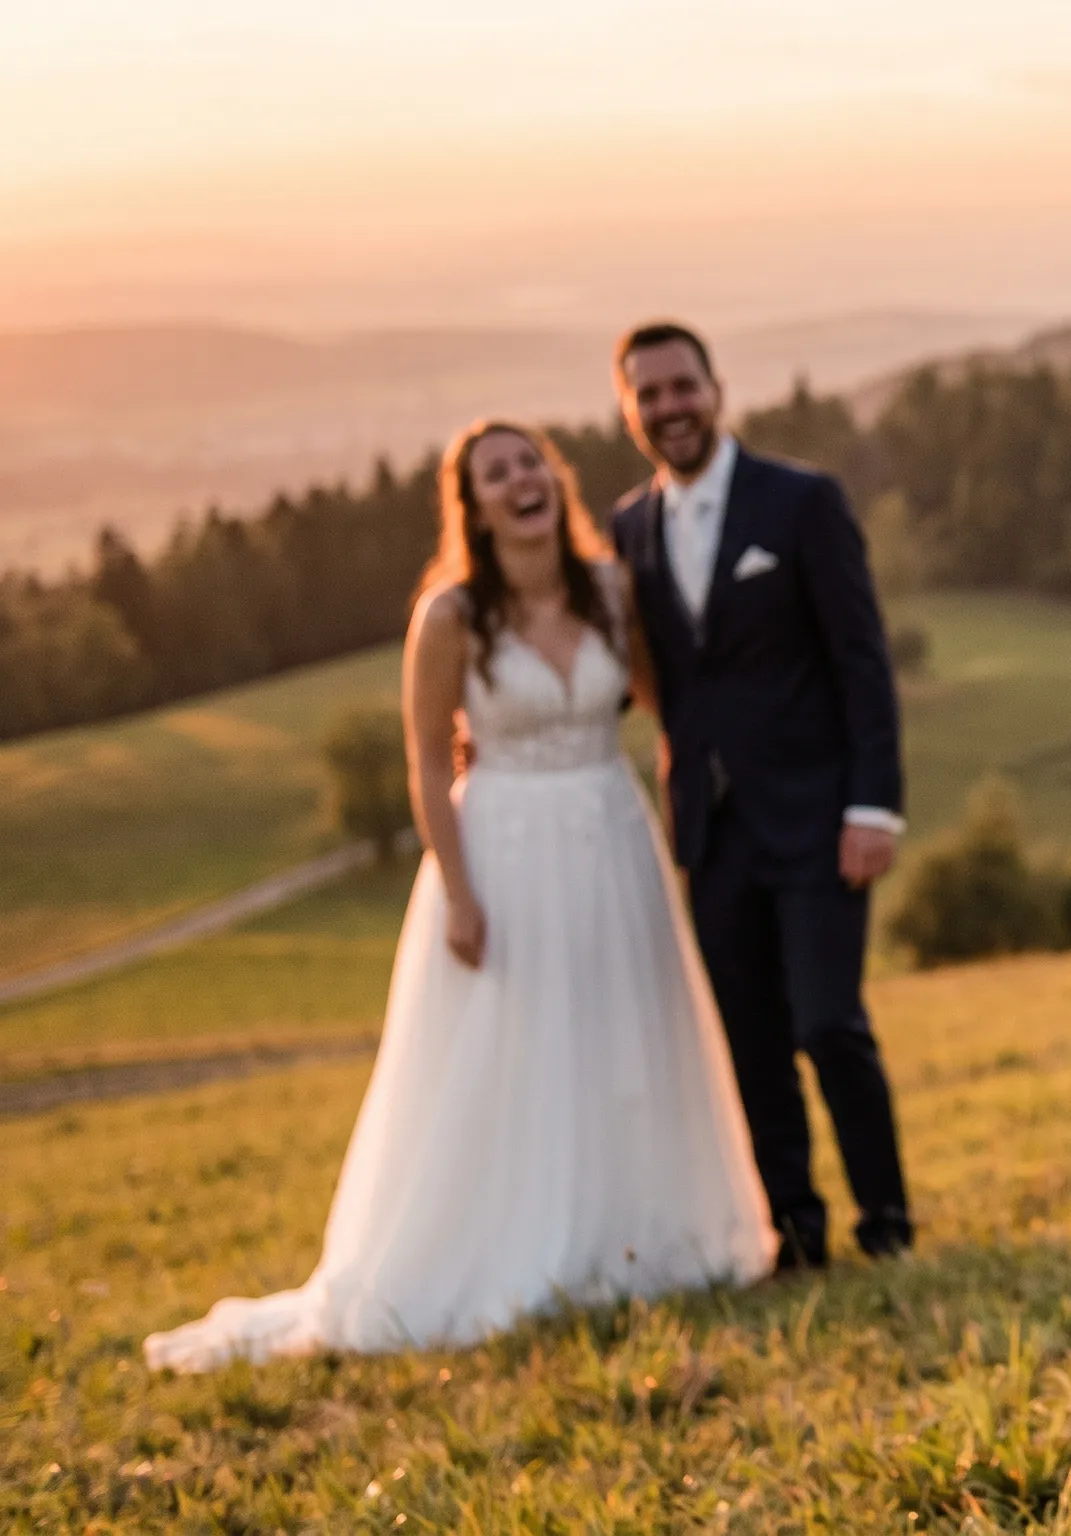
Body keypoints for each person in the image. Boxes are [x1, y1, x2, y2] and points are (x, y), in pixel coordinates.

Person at [144, 422, 774, 1372]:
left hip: (610, 834)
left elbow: (662, 699)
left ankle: (635, 1239)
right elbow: (430, 763)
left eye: (531, 464)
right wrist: (460, 892)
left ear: (554, 480)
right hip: (504, 847)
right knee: (514, 1047)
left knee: (624, 1030)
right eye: (496, 474)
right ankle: (511, 1246)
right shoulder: (449, 616)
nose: (521, 481)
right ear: (473, 507)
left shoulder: (609, 591)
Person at [606, 322, 913, 1270]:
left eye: (681, 387)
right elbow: (629, 671)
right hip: (709, 829)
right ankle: (797, 1232)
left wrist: (873, 807)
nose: (669, 408)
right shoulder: (628, 529)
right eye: (649, 394)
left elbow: (861, 660)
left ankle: (887, 1225)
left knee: (828, 1023)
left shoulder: (802, 502)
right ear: (629, 412)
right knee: (751, 1040)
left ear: (716, 390)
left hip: (819, 817)